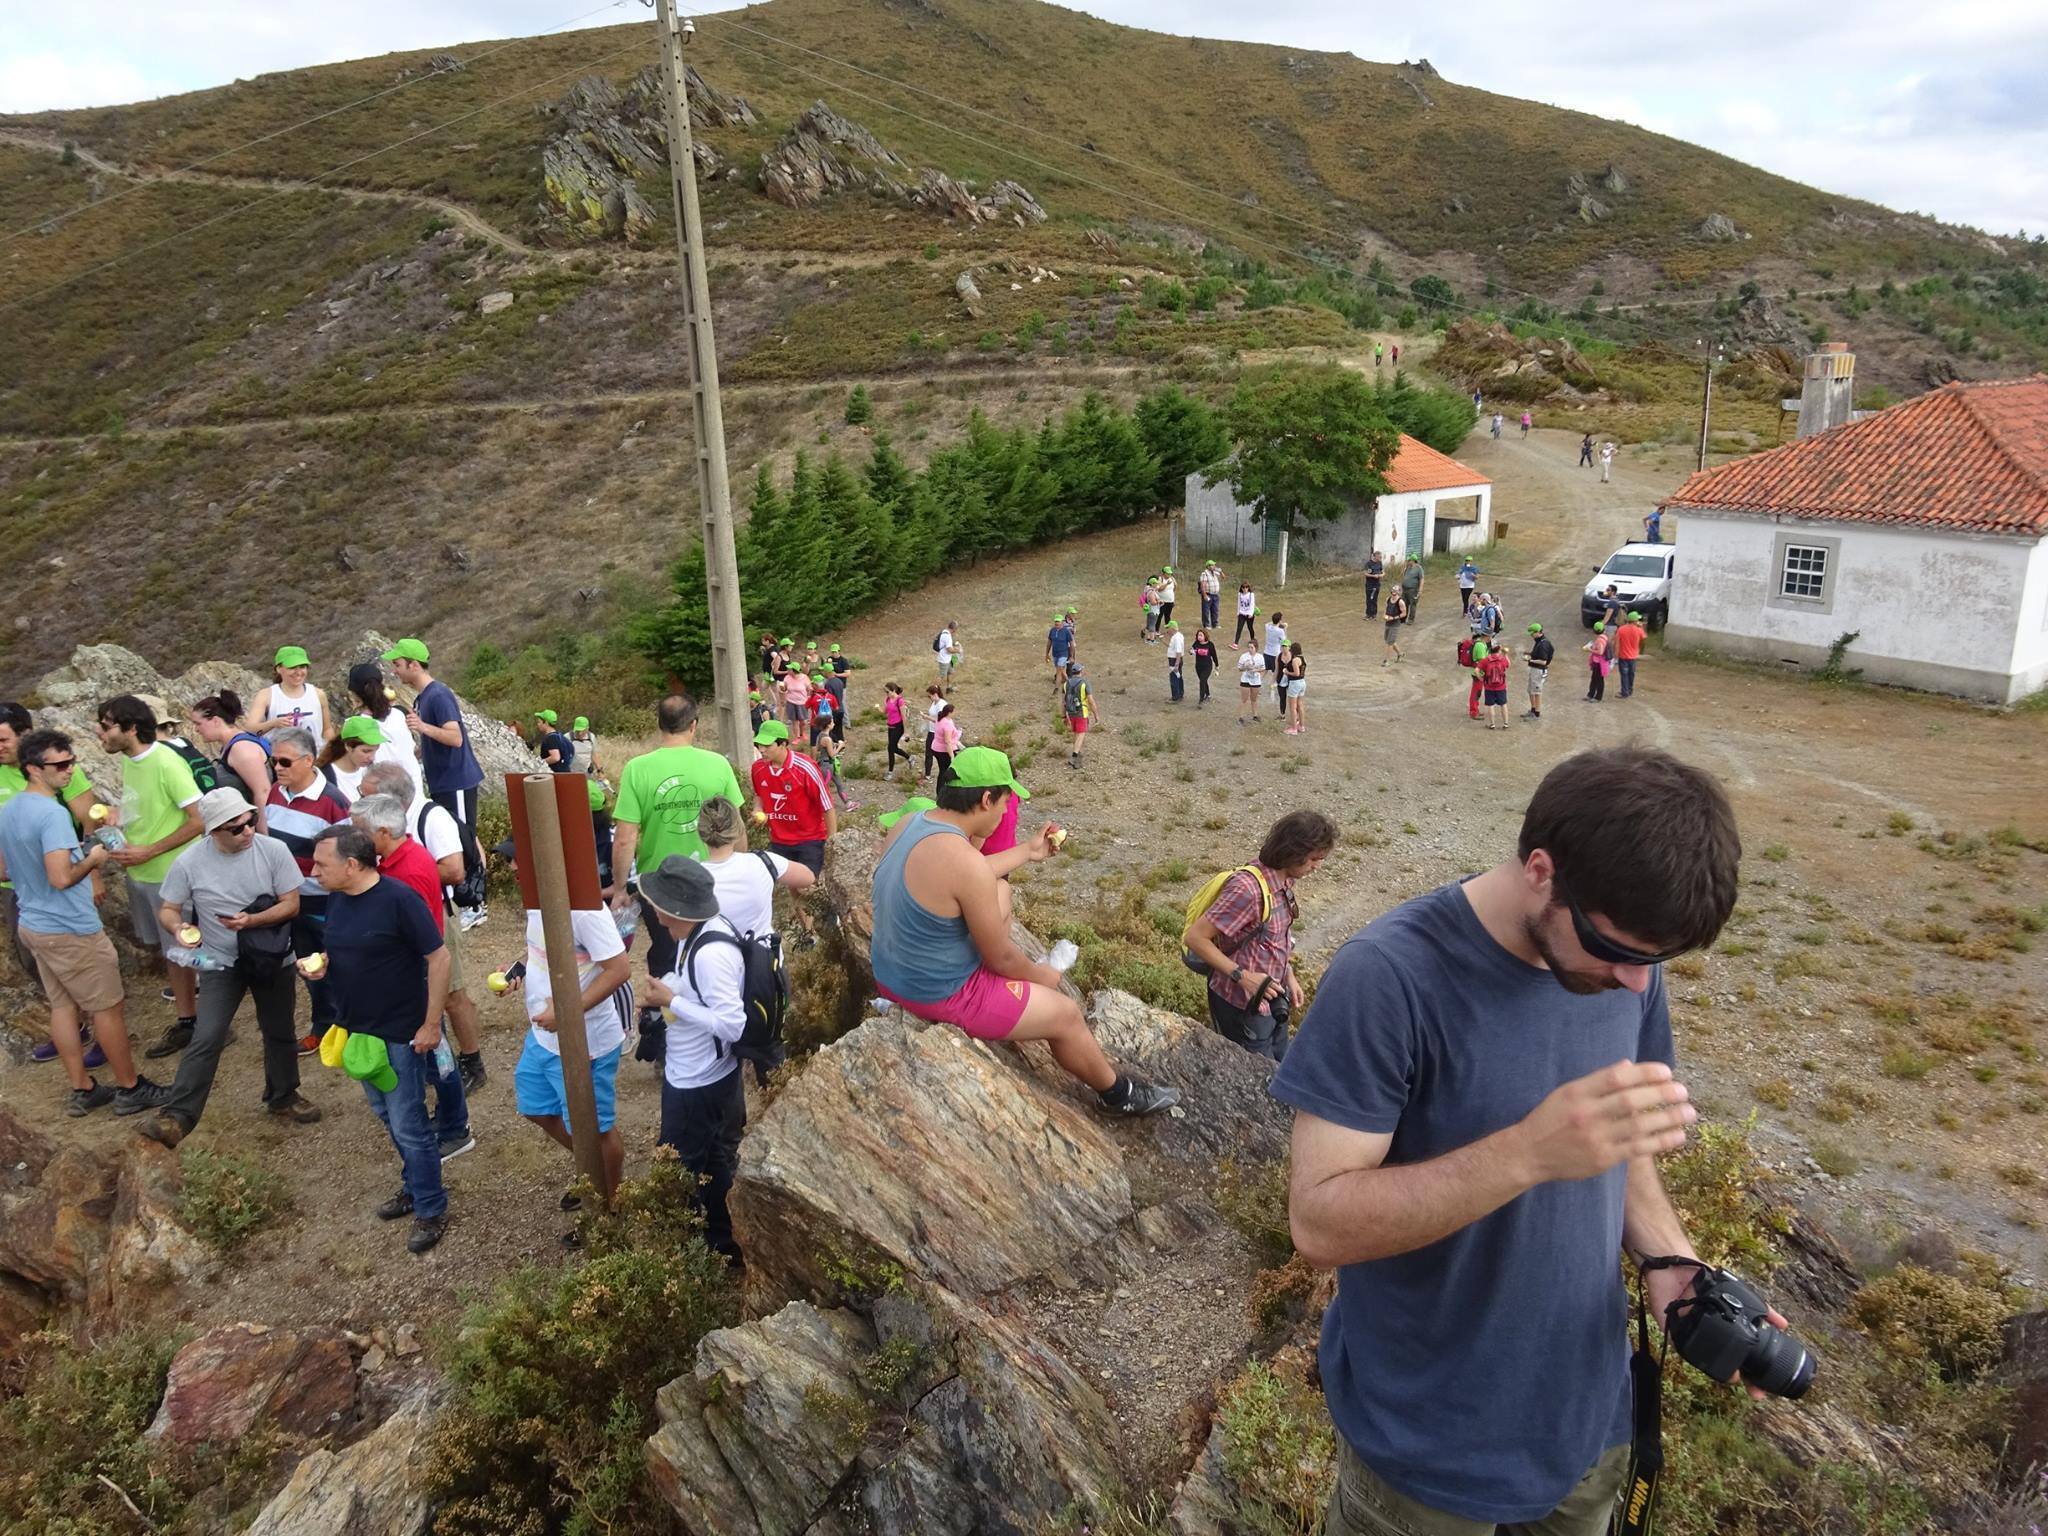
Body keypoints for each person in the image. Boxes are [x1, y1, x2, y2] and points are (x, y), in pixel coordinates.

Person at [1272, 747, 1751, 1536]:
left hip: (1587, 1427)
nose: (1638, 982)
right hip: (1428, 1450)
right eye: (1621, 952)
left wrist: (1670, 1259)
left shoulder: (1622, 962)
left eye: (1656, 960)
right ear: (1540, 871)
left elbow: (1618, 1140)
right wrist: (1526, 1153)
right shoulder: (1388, 977)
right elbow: (1318, 1223)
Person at [870, 748, 1177, 1115]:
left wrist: (1029, 851)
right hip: (939, 992)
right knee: (1065, 1016)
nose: (1005, 812)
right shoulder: (965, 863)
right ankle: (1119, 1096)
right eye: (1005, 802)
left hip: (890, 974)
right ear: (986, 799)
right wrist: (1042, 974)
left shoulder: (911, 822)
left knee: (1001, 890)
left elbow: (965, 874)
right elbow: (1000, 958)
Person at [0, 729, 167, 1117]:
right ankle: (130, 1087)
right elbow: (61, 878)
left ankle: (83, 1088)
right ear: (33, 768)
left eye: (71, 762)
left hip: (33, 922)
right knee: (107, 1007)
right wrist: (92, 859)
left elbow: (5, 868)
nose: (69, 770)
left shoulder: (10, 809)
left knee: (63, 1006)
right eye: (60, 765)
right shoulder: (52, 814)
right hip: (70, 927)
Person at [138, 788, 311, 1147]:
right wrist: (178, 929)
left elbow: (291, 904)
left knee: (279, 1030)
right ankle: (177, 1117)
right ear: (214, 831)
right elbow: (168, 908)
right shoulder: (189, 862)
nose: (248, 831)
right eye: (236, 828)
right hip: (221, 962)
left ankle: (283, 1095)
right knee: (207, 1034)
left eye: (250, 821)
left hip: (272, 957)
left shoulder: (273, 850)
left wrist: (252, 921)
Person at [313, 825, 456, 1255]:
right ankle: (414, 1185)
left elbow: (439, 957)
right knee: (385, 1114)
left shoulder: (399, 900)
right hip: (358, 1031)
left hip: (399, 1033)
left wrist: (431, 1025)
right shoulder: (338, 898)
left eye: (321, 864)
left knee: (409, 1124)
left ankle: (431, 1207)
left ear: (351, 865)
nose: (313, 871)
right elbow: (347, 951)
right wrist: (323, 964)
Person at [491, 838, 633, 1220]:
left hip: (585, 1041)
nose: (512, 868)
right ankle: (593, 1172)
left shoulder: (585, 911)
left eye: (519, 860)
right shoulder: (538, 903)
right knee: (535, 1107)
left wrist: (568, 1012)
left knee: (597, 1130)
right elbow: (547, 953)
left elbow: (619, 970)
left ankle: (608, 1208)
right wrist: (519, 970)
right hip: (543, 1036)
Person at [349, 792, 475, 1160]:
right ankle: (452, 1122)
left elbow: (426, 937)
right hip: (413, 978)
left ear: (383, 832)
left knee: (436, 1058)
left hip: (416, 981)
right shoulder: (402, 858)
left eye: (359, 831)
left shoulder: (407, 872)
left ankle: (455, 1128)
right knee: (438, 1056)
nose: (354, 839)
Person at [640, 855, 749, 1259]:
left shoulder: (711, 953)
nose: (651, 906)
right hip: (700, 1072)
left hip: (698, 1079)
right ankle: (723, 1240)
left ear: (675, 908)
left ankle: (686, 1252)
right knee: (713, 1159)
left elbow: (732, 1025)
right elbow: (692, 988)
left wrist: (671, 1001)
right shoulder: (695, 933)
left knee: (677, 1166)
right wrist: (667, 992)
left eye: (657, 900)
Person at [360, 761, 489, 1093]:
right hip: (405, 916)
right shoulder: (388, 823)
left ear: (391, 800)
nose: (362, 803)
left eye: (368, 797)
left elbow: (454, 870)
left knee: (451, 993)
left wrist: (400, 875)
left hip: (436, 912)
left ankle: (472, 1061)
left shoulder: (431, 817)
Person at [611, 693, 746, 979]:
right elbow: (737, 825)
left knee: (666, 957)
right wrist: (740, 867)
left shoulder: (637, 769)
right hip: (711, 877)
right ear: (694, 724)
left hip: (658, 885)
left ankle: (666, 1003)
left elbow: (625, 838)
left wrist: (621, 888)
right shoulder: (717, 764)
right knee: (712, 952)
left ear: (659, 724)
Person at [95, 694, 204, 1048]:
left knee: (183, 951)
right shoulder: (131, 760)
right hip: (142, 874)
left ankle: (198, 1024)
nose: (100, 733)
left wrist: (150, 850)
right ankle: (190, 1019)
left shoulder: (166, 762)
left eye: (106, 726)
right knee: (172, 952)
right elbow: (148, 807)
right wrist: (118, 815)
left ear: (130, 728)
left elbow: (199, 819)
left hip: (169, 875)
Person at [1185, 810, 1335, 1062]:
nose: (1317, 867)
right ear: (1293, 852)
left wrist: (1288, 976)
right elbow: (1195, 938)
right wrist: (1243, 977)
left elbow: (1272, 940)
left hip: (1270, 1000)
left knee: (1280, 1063)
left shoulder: (1283, 882)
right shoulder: (1247, 890)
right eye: (1313, 859)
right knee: (1253, 1073)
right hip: (1240, 1005)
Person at [0, 703, 104, 1044]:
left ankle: (99, 1028)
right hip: (18, 887)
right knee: (35, 960)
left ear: (25, 736)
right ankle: (75, 1029)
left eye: (3, 739)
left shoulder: (58, 770)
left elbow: (89, 820)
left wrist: (93, 874)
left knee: (84, 964)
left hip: (66, 882)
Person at [260, 725, 353, 1059]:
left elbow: (347, 859)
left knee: (341, 966)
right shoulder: (275, 792)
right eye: (273, 761)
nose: (277, 768)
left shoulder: (333, 803)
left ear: (308, 760)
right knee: (309, 967)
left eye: (284, 762)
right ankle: (323, 1026)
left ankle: (353, 1027)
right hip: (291, 901)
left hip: (326, 903)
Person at [383, 638, 487, 931]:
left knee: (465, 838)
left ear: (414, 665)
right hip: (442, 780)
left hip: (457, 779)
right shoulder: (422, 698)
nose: (395, 670)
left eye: (398, 664)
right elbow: (433, 740)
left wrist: (422, 727)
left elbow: (455, 738)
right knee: (458, 836)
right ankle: (468, 899)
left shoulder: (438, 695)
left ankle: (476, 902)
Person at [748, 723, 834, 947]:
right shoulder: (758, 769)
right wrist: (758, 809)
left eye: (767, 745)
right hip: (780, 840)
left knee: (808, 887)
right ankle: (809, 934)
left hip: (810, 838)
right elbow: (759, 794)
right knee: (794, 888)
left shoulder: (804, 767)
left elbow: (827, 806)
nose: (761, 750)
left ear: (783, 744)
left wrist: (833, 842)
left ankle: (830, 915)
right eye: (759, 745)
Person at [188, 691, 273, 829]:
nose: (196, 730)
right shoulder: (232, 745)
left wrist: (264, 834)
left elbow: (263, 792)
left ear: (215, 721)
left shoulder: (241, 749)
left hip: (253, 828)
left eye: (198, 724)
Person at [346, 661, 422, 794]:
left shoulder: (355, 725)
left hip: (382, 795)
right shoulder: (401, 713)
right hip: (414, 791)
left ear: (354, 694)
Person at [245, 645, 330, 738]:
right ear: (279, 668)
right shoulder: (266, 695)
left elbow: (327, 730)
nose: (298, 672)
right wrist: (272, 724)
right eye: (292, 667)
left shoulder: (318, 694)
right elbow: (250, 730)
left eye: (302, 667)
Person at [318, 716, 384, 803]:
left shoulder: (373, 771)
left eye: (375, 751)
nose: (372, 758)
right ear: (348, 746)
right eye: (366, 751)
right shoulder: (324, 777)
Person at [1064, 663, 1100, 768]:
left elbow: (1063, 701)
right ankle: (1074, 756)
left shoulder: (1066, 683)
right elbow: (1091, 701)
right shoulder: (1084, 683)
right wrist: (1096, 715)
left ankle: (1077, 753)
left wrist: (1063, 716)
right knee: (1081, 734)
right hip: (1081, 713)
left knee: (1076, 733)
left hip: (1070, 712)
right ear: (1081, 671)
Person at [1523, 622, 1554, 721]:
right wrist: (1529, 653)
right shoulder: (1539, 641)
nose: (1531, 636)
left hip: (1538, 671)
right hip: (1534, 670)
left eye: (1532, 633)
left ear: (1537, 632)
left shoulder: (1543, 644)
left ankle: (1537, 713)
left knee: (1537, 692)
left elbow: (1543, 661)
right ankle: (1533, 710)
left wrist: (1530, 660)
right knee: (1531, 690)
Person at [1479, 640, 1513, 730]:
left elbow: (1477, 670)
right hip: (1501, 686)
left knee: (1490, 705)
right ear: (1498, 649)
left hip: (1489, 686)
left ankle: (1492, 724)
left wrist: (1481, 678)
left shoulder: (1486, 660)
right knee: (1503, 704)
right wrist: (1505, 655)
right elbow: (1508, 665)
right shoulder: (1502, 659)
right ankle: (1505, 723)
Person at [1615, 611, 1647, 698]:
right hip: (1633, 656)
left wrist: (1616, 654)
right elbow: (1644, 638)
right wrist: (1641, 627)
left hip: (1623, 655)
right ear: (1635, 621)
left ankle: (1624, 691)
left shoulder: (1621, 629)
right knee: (1631, 674)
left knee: (1624, 674)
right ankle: (1629, 689)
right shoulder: (1639, 630)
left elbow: (1617, 643)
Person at [883, 683, 911, 779]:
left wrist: (906, 732)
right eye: (885, 692)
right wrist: (878, 708)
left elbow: (904, 717)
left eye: (887, 692)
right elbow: (885, 711)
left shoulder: (900, 701)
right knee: (893, 748)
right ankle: (909, 757)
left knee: (890, 748)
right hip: (890, 726)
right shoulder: (888, 699)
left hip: (898, 727)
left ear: (894, 690)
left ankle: (890, 772)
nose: (886, 694)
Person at [919, 684, 947, 781]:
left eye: (929, 696)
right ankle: (928, 774)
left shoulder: (941, 704)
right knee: (928, 753)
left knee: (939, 753)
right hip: (931, 730)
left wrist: (926, 717)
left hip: (938, 732)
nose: (929, 698)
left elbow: (940, 720)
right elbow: (933, 715)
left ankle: (944, 773)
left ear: (935, 694)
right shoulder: (934, 703)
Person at [929, 703, 962, 783]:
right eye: (954, 712)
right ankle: (944, 786)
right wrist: (952, 756)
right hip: (943, 750)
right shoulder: (947, 724)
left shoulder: (941, 719)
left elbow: (934, 721)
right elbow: (947, 741)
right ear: (949, 713)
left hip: (935, 748)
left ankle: (946, 784)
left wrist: (926, 717)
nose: (955, 713)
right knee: (944, 770)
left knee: (942, 769)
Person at [1262, 611, 1288, 706]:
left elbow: (1269, 623)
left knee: (1264, 670)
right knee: (1276, 672)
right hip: (1275, 654)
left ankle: (1257, 683)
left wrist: (1279, 623)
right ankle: (1273, 686)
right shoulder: (1280, 631)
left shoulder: (1267, 627)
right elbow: (1284, 641)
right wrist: (1284, 628)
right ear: (1280, 620)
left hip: (1266, 652)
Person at [1237, 645, 1267, 724]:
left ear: (1256, 648)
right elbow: (1239, 668)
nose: (1250, 649)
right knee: (1244, 699)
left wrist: (1255, 670)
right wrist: (1245, 667)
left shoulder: (1260, 657)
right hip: (1245, 680)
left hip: (1256, 680)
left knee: (1254, 699)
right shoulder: (1244, 656)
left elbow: (1263, 668)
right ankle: (1241, 717)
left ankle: (1255, 715)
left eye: (1252, 647)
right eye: (1249, 647)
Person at [1284, 642, 1308, 735]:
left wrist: (1287, 672)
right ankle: (1301, 726)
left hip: (1295, 683)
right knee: (1300, 705)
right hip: (1302, 682)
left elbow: (1296, 673)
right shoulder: (1302, 658)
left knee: (1292, 706)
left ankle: (1293, 728)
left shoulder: (1295, 660)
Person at [1191, 628, 1218, 707]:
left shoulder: (1210, 644)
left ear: (1205, 636)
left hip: (1207, 666)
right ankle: (1208, 694)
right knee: (1203, 680)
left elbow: (1214, 655)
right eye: (1198, 635)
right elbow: (1192, 650)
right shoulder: (1196, 643)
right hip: (1198, 666)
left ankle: (1201, 699)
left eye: (1201, 635)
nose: (1199, 637)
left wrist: (1217, 665)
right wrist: (1191, 652)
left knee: (1202, 681)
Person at [1047, 611, 1073, 690]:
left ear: (1062, 622)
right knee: (1061, 671)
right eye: (1056, 621)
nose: (1057, 623)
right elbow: (1049, 642)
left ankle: (1056, 689)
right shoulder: (1052, 630)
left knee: (1059, 671)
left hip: (1063, 654)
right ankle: (1071, 684)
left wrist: (1071, 656)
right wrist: (1047, 653)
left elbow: (1071, 643)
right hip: (1055, 654)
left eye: (1058, 621)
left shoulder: (1066, 631)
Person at [1585, 623, 1611, 702]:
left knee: (1598, 680)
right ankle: (1591, 694)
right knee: (1595, 679)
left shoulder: (1600, 640)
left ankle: (1597, 697)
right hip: (1600, 662)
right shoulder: (1604, 638)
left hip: (1599, 663)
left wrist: (1589, 649)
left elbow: (1600, 652)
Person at [781, 666, 811, 731]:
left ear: (794, 671)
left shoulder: (804, 677)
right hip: (791, 702)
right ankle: (797, 736)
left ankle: (802, 733)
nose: (787, 670)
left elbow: (809, 689)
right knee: (794, 722)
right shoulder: (787, 677)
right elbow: (785, 689)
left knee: (803, 721)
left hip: (802, 703)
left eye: (789, 669)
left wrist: (809, 698)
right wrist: (783, 689)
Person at [1381, 589, 1407, 664]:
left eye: (1395, 592)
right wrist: (1384, 615)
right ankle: (1400, 654)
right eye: (1392, 591)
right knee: (1388, 640)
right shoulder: (1388, 599)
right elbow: (1386, 609)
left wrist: (1393, 618)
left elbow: (1404, 614)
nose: (1393, 593)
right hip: (1388, 622)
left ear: (1398, 593)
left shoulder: (1400, 602)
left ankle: (1387, 661)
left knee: (1390, 643)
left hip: (1395, 624)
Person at [1466, 639, 1488, 722]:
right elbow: (1483, 661)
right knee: (1476, 693)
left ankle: (1475, 710)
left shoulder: (1480, 643)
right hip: (1478, 673)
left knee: (1477, 692)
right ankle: (1474, 712)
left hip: (1477, 672)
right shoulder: (1480, 645)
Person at [935, 621, 961, 688]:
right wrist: (958, 650)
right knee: (942, 676)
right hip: (944, 659)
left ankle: (949, 687)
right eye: (956, 629)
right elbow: (949, 650)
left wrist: (954, 645)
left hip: (949, 658)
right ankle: (934, 690)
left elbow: (947, 645)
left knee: (950, 672)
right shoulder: (947, 636)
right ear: (954, 629)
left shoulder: (945, 632)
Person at [1166, 620, 1187, 703]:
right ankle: (1180, 694)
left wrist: (1176, 664)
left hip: (1174, 660)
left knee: (1173, 677)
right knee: (1178, 676)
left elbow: (1178, 651)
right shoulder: (1178, 636)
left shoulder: (1176, 638)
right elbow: (1171, 647)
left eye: (1168, 628)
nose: (1167, 630)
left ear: (1172, 628)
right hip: (1177, 659)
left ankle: (1175, 697)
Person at [1199, 561, 1223, 629]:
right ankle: (1206, 624)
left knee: (1215, 610)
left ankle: (1215, 624)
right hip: (1208, 594)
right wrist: (1204, 595)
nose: (1214, 566)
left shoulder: (1215, 573)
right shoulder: (1204, 574)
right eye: (1212, 565)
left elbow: (1223, 577)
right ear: (1208, 566)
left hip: (1215, 594)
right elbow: (1202, 585)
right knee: (1206, 610)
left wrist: (1221, 571)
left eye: (1214, 565)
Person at [1234, 582, 1257, 649]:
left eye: (1246, 587)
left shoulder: (1251, 594)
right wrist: (1238, 613)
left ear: (1248, 588)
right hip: (1242, 613)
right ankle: (1235, 643)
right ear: (1241, 588)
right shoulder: (1240, 594)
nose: (1245, 589)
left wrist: (1251, 613)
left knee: (1250, 628)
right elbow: (1239, 604)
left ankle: (1253, 640)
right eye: (1243, 587)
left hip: (1249, 614)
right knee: (1239, 628)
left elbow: (1252, 604)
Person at [1399, 558, 1423, 624]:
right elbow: (1402, 574)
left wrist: (1420, 590)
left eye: (1409, 560)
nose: (1408, 561)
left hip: (1413, 590)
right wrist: (1404, 566)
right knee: (1404, 604)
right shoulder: (1407, 567)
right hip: (1405, 589)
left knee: (1413, 605)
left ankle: (1411, 620)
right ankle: (1403, 619)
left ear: (1413, 561)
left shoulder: (1419, 568)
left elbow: (1421, 579)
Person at [1363, 551, 1384, 620]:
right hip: (1369, 585)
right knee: (1369, 599)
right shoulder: (1368, 563)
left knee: (1375, 599)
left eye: (1380, 556)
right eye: (1379, 556)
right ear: (1375, 556)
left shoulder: (1380, 563)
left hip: (1377, 585)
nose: (1380, 557)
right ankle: (1368, 614)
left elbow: (1383, 572)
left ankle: (1374, 614)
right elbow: (1365, 573)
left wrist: (1381, 575)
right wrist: (1373, 576)